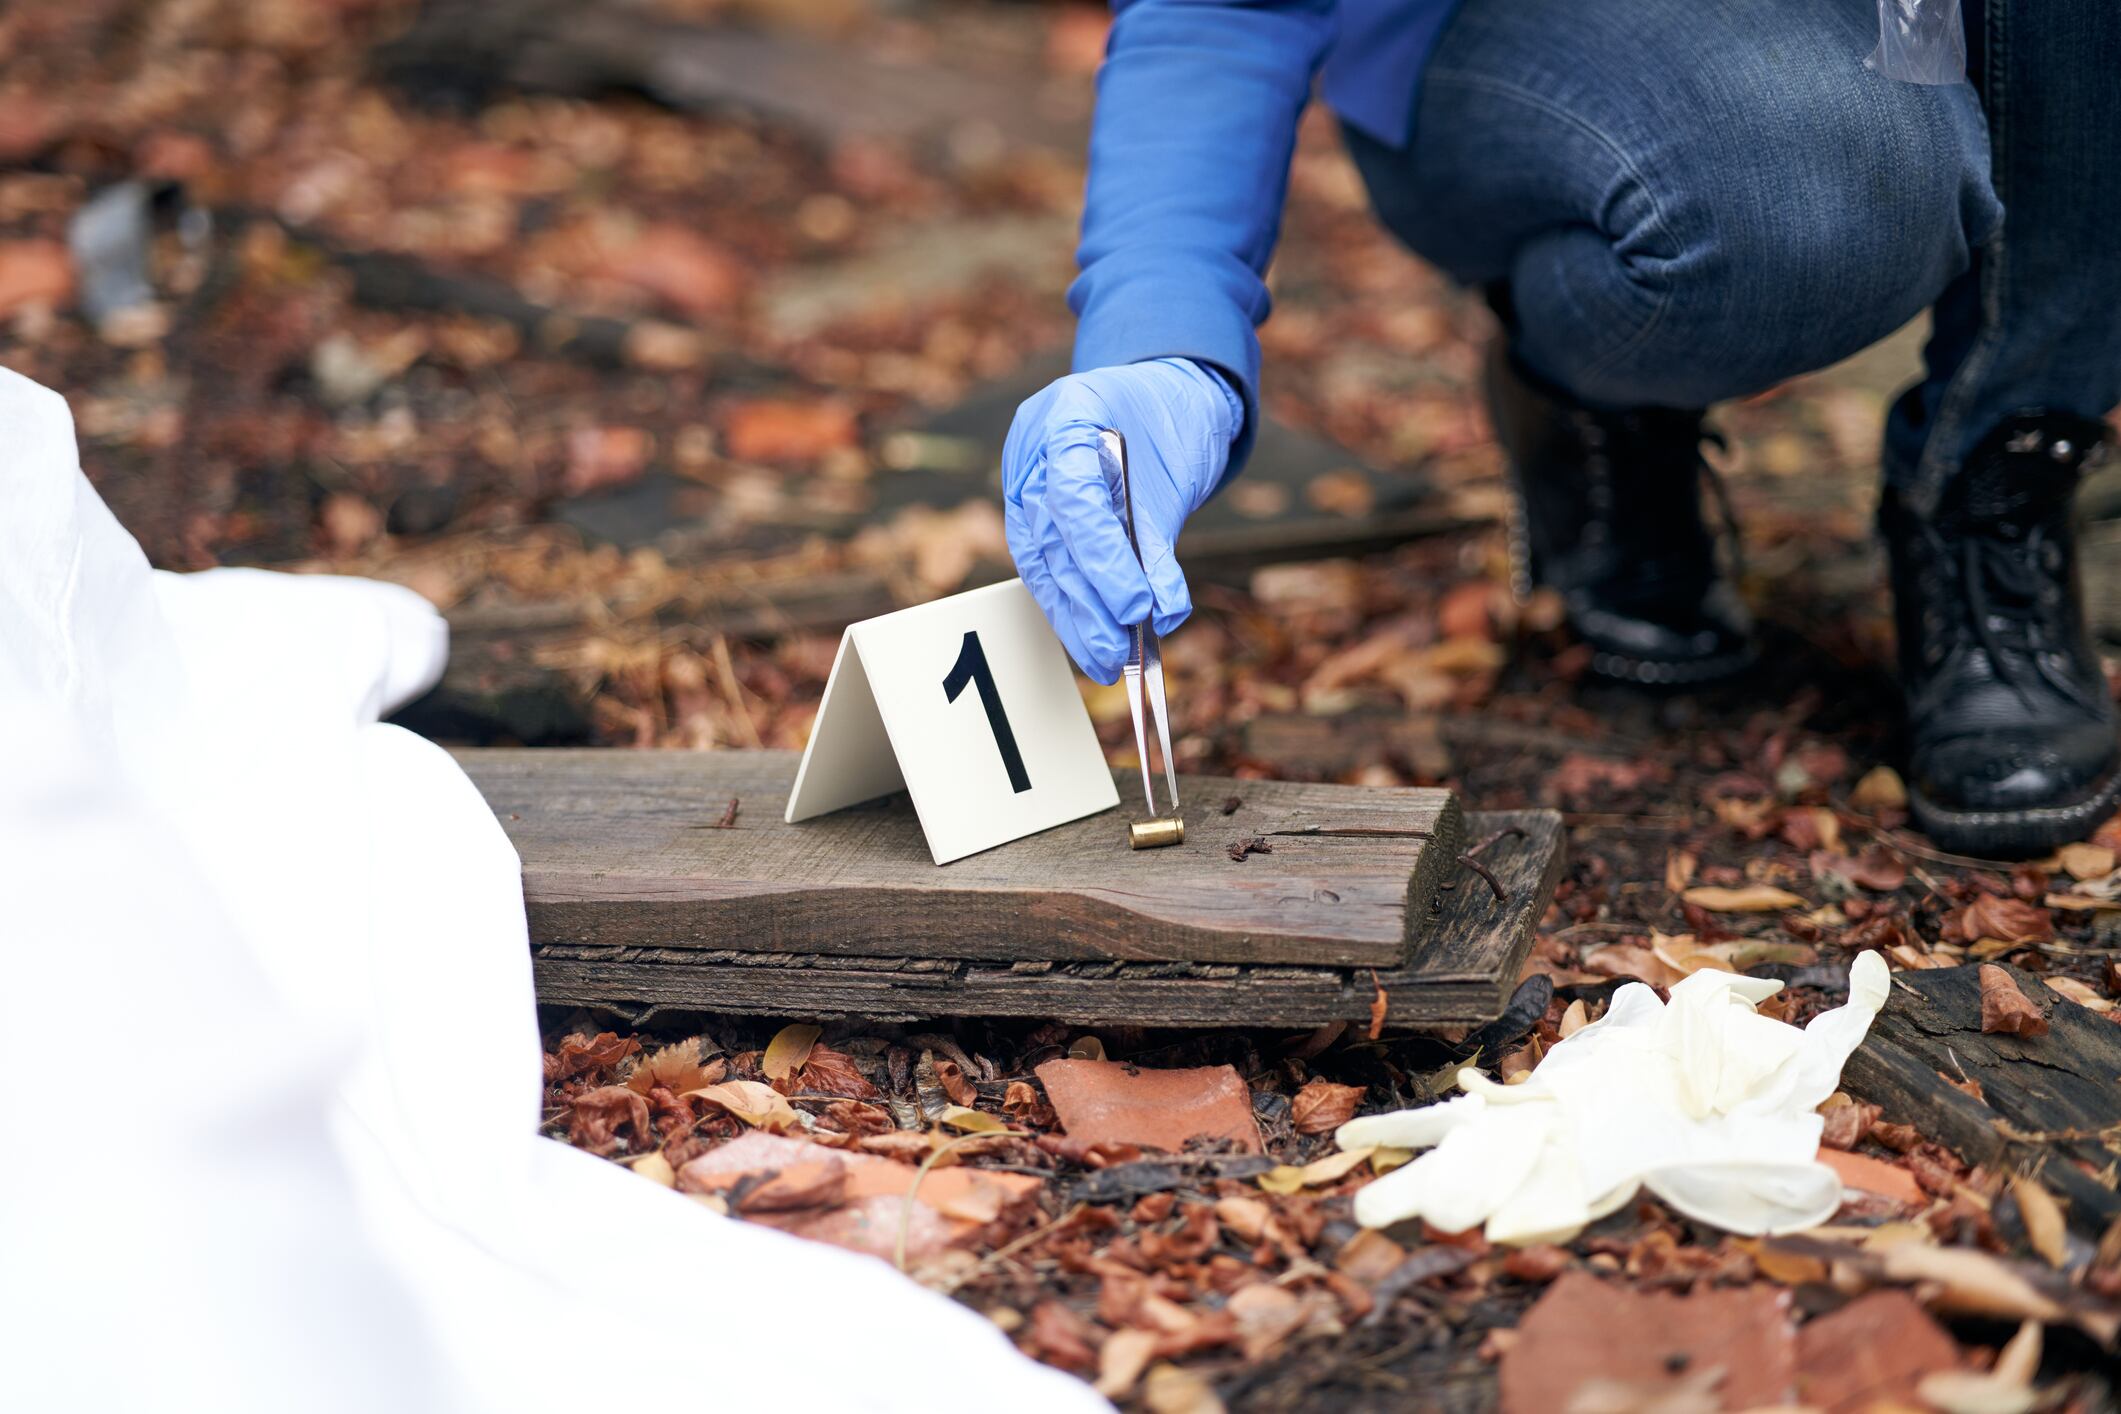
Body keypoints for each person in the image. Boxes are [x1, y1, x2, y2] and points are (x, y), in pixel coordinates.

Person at [1000, 0, 2121, 859]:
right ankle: (1596, 387)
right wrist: (1161, 339)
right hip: (1506, 43)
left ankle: (1995, 472)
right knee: (1817, 197)